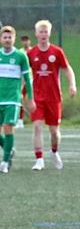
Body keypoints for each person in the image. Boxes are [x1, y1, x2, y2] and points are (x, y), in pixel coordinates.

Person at [27, 20, 77, 171]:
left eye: (45, 32)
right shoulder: (31, 53)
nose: (43, 34)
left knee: (54, 131)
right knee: (37, 127)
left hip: (54, 97)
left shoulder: (56, 52)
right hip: (37, 98)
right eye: (40, 32)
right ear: (36, 34)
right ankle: (39, 159)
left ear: (49, 33)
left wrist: (72, 84)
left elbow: (67, 69)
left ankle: (54, 152)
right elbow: (23, 73)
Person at [0, 26, 35, 174]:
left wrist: (31, 99)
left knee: (8, 128)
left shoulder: (21, 56)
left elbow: (27, 78)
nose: (7, 40)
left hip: (13, 100)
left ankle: (5, 162)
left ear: (14, 39)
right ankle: (10, 149)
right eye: (5, 37)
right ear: (1, 39)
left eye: (10, 37)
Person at [17, 35, 30, 130]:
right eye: (23, 41)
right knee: (20, 99)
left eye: (27, 40)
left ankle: (39, 118)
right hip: (22, 80)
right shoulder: (19, 52)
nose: (25, 42)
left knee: (33, 99)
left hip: (33, 79)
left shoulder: (33, 51)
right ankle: (20, 120)